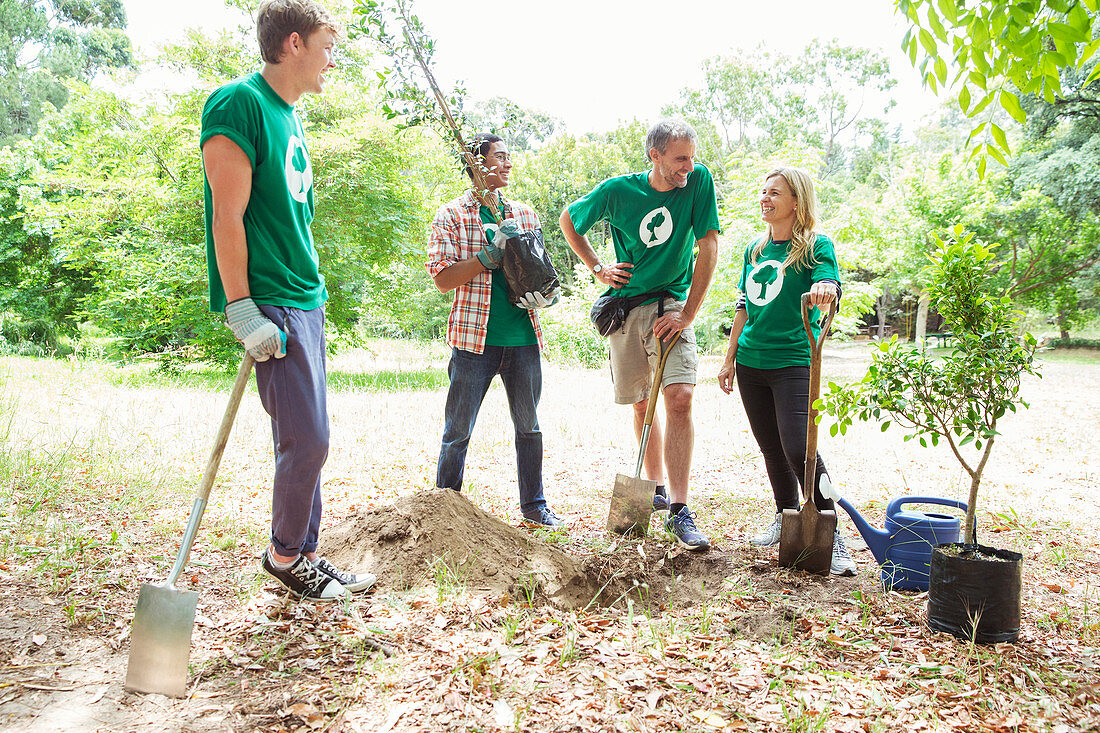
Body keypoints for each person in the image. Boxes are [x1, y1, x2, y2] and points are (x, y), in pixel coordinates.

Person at [201, 0, 374, 600]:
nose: (335, 59)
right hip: (269, 297)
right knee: (309, 438)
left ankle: (305, 552)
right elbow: (228, 216)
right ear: (294, 43)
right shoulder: (239, 104)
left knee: (307, 435)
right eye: (329, 45)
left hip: (306, 297)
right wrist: (241, 306)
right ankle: (285, 558)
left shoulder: (292, 116)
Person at [559, 119, 720, 551]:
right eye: (679, 158)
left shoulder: (698, 181)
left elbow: (708, 246)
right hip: (628, 305)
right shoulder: (618, 191)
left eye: (692, 156)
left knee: (680, 397)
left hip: (672, 302)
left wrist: (687, 313)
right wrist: (597, 267)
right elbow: (569, 220)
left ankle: (681, 511)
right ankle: (655, 492)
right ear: (655, 156)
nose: (689, 165)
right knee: (642, 403)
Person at [716, 166, 856, 576]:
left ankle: (829, 530)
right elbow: (744, 304)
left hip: (794, 360)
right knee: (771, 449)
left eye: (774, 193)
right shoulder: (755, 250)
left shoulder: (816, 246)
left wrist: (826, 290)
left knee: (799, 448)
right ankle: (786, 514)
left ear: (797, 200)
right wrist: (729, 357)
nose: (765, 198)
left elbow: (829, 283)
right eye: (763, 192)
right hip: (751, 361)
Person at [427, 133, 564, 527]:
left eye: (508, 157)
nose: (507, 164)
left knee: (529, 427)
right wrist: (487, 256)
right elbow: (442, 278)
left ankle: (535, 506)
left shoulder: (524, 214)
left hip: (523, 339)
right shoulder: (452, 215)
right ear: (477, 163)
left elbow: (542, 272)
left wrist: (545, 296)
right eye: (499, 157)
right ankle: (445, 505)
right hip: (474, 342)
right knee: (458, 429)